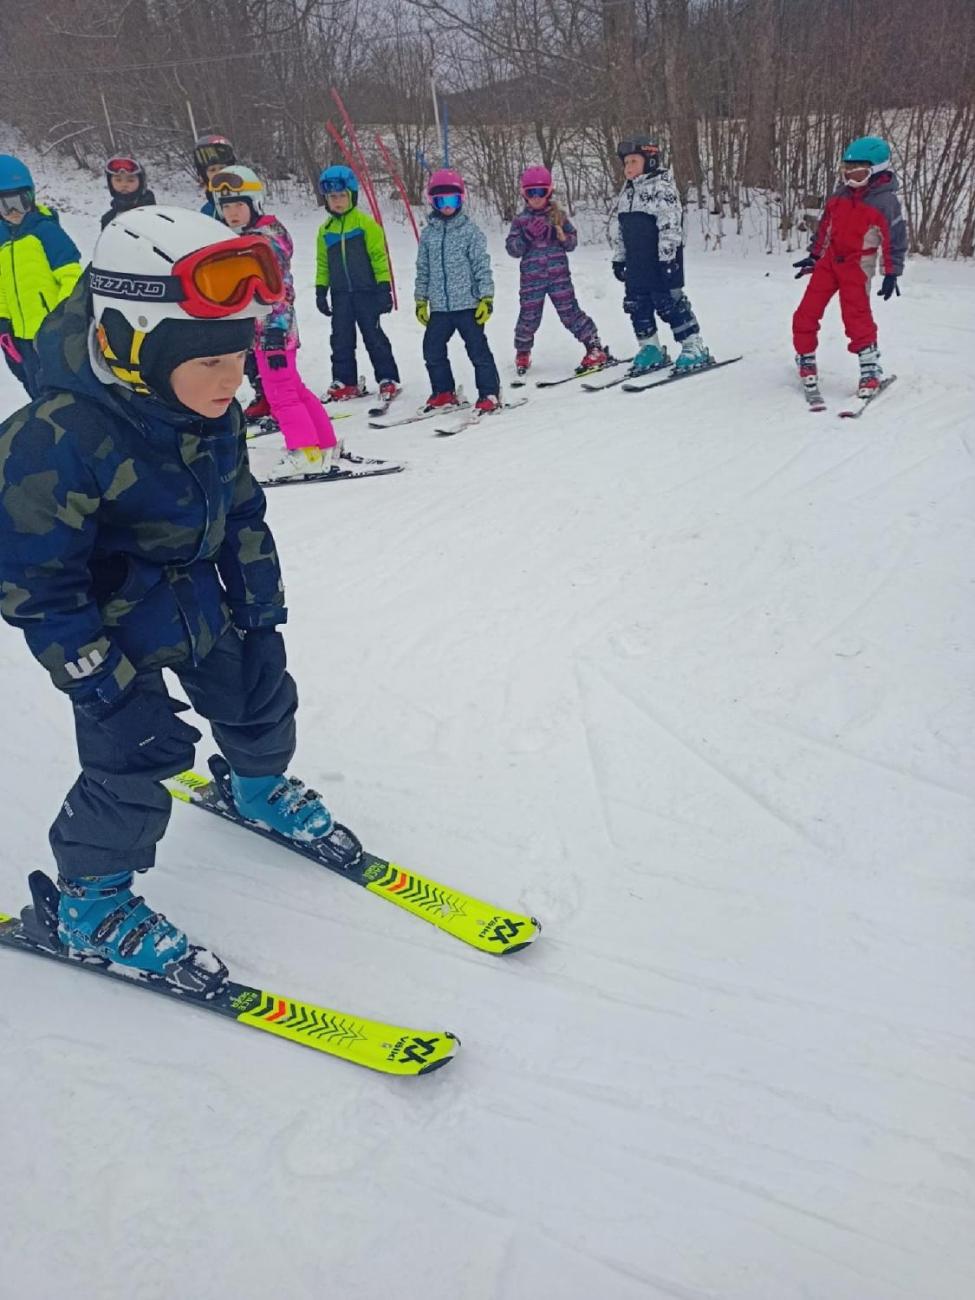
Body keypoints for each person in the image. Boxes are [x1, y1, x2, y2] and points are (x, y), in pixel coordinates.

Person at [0, 205, 340, 989]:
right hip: (108, 633)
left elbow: (242, 510)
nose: (236, 381)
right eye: (211, 363)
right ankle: (88, 902)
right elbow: (35, 586)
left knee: (259, 695)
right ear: (130, 346)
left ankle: (256, 786)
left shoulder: (210, 408)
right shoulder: (52, 439)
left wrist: (259, 612)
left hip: (199, 604)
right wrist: (102, 685)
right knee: (133, 759)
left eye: (240, 356)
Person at [211, 167, 338, 480]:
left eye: (239, 205)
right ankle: (323, 443)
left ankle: (304, 451)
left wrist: (274, 330)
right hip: (269, 329)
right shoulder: (255, 237)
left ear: (254, 204)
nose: (232, 213)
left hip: (273, 330)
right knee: (294, 388)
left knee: (280, 393)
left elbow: (275, 290)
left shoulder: (263, 242)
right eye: (226, 207)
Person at [792, 135, 906, 398]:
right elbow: (825, 229)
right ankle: (805, 357)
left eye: (858, 174)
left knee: (856, 317)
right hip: (830, 262)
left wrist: (892, 272)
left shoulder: (884, 203)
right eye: (847, 172)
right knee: (806, 313)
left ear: (876, 171)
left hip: (858, 264)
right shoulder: (839, 196)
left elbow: (895, 240)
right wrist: (814, 255)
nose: (850, 179)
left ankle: (869, 369)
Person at [611, 137, 710, 375]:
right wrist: (619, 258)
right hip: (636, 263)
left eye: (633, 161)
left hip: (661, 261)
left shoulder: (662, 188)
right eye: (625, 163)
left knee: (669, 303)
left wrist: (668, 258)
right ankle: (650, 347)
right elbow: (621, 230)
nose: (628, 168)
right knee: (637, 305)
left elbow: (671, 225)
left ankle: (693, 345)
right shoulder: (627, 192)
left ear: (651, 160)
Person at [505, 165, 607, 376]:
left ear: (548, 193)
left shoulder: (558, 216)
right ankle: (523, 350)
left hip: (558, 276)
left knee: (569, 311)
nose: (535, 197)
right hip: (532, 279)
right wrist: (526, 237)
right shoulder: (521, 221)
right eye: (530, 193)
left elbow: (572, 242)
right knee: (529, 315)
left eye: (540, 192)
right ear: (524, 194)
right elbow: (512, 249)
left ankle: (593, 344)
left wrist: (562, 237)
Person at [414, 168, 500, 413]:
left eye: (452, 199)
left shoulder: (470, 232)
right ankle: (443, 391)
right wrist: (421, 300)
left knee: (477, 350)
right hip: (440, 307)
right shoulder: (429, 235)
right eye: (441, 200)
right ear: (433, 202)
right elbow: (423, 269)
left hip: (468, 305)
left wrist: (486, 297)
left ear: (460, 199)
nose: (447, 205)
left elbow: (482, 266)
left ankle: (489, 393)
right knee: (432, 349)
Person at [315, 164, 400, 403]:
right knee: (341, 339)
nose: (338, 201)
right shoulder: (325, 231)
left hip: (367, 292)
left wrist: (384, 287)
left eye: (342, 196)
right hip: (341, 294)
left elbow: (378, 257)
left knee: (373, 336)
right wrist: (321, 290)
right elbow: (322, 264)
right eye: (332, 197)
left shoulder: (365, 224)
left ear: (352, 195)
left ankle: (387, 377)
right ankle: (345, 380)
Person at [0, 153, 82, 399]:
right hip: (20, 339)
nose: (13, 211)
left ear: (32, 197)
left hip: (51, 334)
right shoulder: (2, 242)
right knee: (33, 386)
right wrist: (3, 323)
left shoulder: (46, 231)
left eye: (20, 201)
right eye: (4, 204)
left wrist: (62, 318)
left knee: (62, 387)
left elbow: (72, 277)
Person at [100, 155, 156, 229]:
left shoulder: (155, 214)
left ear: (141, 182)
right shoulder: (108, 219)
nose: (124, 185)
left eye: (130, 180)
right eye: (118, 180)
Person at [192, 132, 236, 218]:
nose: (218, 173)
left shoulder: (247, 200)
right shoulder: (207, 212)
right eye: (212, 170)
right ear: (205, 176)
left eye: (222, 168)